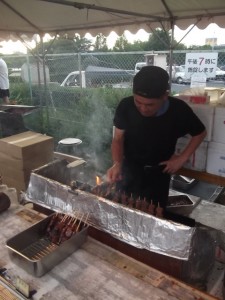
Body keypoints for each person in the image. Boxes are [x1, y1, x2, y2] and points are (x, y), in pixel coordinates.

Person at [107, 65, 206, 214]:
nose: (143, 108)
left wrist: (181, 159)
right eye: (138, 102)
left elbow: (200, 133)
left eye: (150, 104)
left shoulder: (178, 110)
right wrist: (117, 163)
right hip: (129, 169)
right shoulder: (126, 106)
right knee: (120, 210)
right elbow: (118, 138)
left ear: (165, 96)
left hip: (159, 173)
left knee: (154, 215)